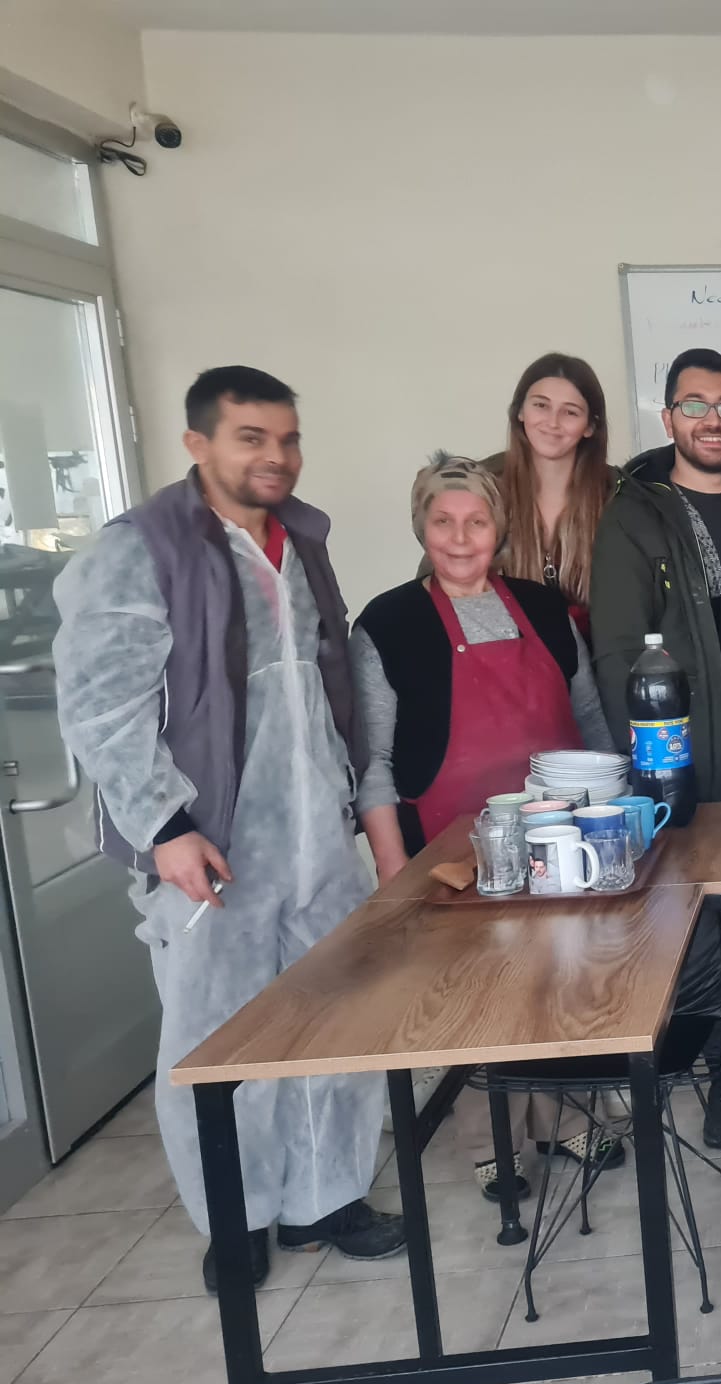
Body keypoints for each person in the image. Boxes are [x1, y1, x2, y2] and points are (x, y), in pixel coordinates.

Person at [51, 366, 402, 1293]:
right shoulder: (144, 548)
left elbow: (317, 686)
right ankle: (236, 1219)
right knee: (220, 1038)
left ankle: (325, 1196)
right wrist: (164, 824)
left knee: (335, 1022)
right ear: (197, 442)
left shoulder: (302, 539)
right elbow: (102, 703)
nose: (275, 456)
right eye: (251, 437)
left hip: (316, 836)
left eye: (287, 438)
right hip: (208, 844)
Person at [352, 455, 620, 1199]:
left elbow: (590, 717)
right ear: (421, 527)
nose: (461, 537)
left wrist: (613, 806)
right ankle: (491, 1143)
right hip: (448, 849)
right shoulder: (389, 623)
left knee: (560, 982)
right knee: (474, 997)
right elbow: (373, 761)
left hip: (559, 837)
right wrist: (394, 867)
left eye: (476, 521)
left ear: (499, 528)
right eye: (443, 521)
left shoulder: (543, 607)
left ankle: (566, 1121)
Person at [593, 347, 721, 1151]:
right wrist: (654, 768)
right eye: (696, 405)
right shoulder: (636, 514)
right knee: (702, 923)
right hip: (690, 759)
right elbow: (617, 652)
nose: (714, 420)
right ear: (669, 416)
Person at [482, 352, 633, 641]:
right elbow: (441, 589)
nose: (553, 422)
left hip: (601, 657)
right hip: (508, 660)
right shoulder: (481, 491)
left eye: (570, 412)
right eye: (541, 405)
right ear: (520, 412)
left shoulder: (620, 497)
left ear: (590, 426)